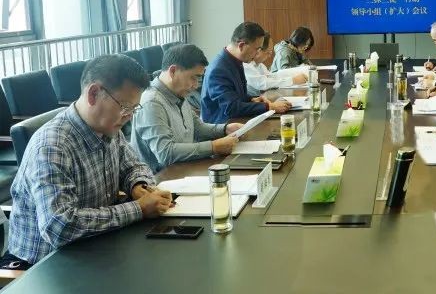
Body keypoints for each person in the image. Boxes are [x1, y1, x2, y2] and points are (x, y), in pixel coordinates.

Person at [4, 55, 173, 268]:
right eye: (125, 107)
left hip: (94, 247)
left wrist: (139, 186)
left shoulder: (109, 128)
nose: (129, 116)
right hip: (43, 264)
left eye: (133, 109)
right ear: (93, 93)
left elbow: (133, 166)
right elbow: (60, 226)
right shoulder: (52, 146)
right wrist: (138, 208)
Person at [132, 44, 246, 173]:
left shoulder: (178, 92)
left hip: (184, 169)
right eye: (193, 77)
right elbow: (165, 153)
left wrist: (226, 129)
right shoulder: (151, 102)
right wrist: (214, 147)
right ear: (173, 71)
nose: (196, 85)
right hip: (161, 178)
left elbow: (197, 128)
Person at [201, 22, 292, 124]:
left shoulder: (235, 61)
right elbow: (231, 108)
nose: (257, 53)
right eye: (257, 49)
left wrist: (252, 99)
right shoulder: (219, 70)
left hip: (236, 121)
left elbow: (236, 95)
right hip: (223, 126)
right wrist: (269, 106)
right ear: (241, 46)